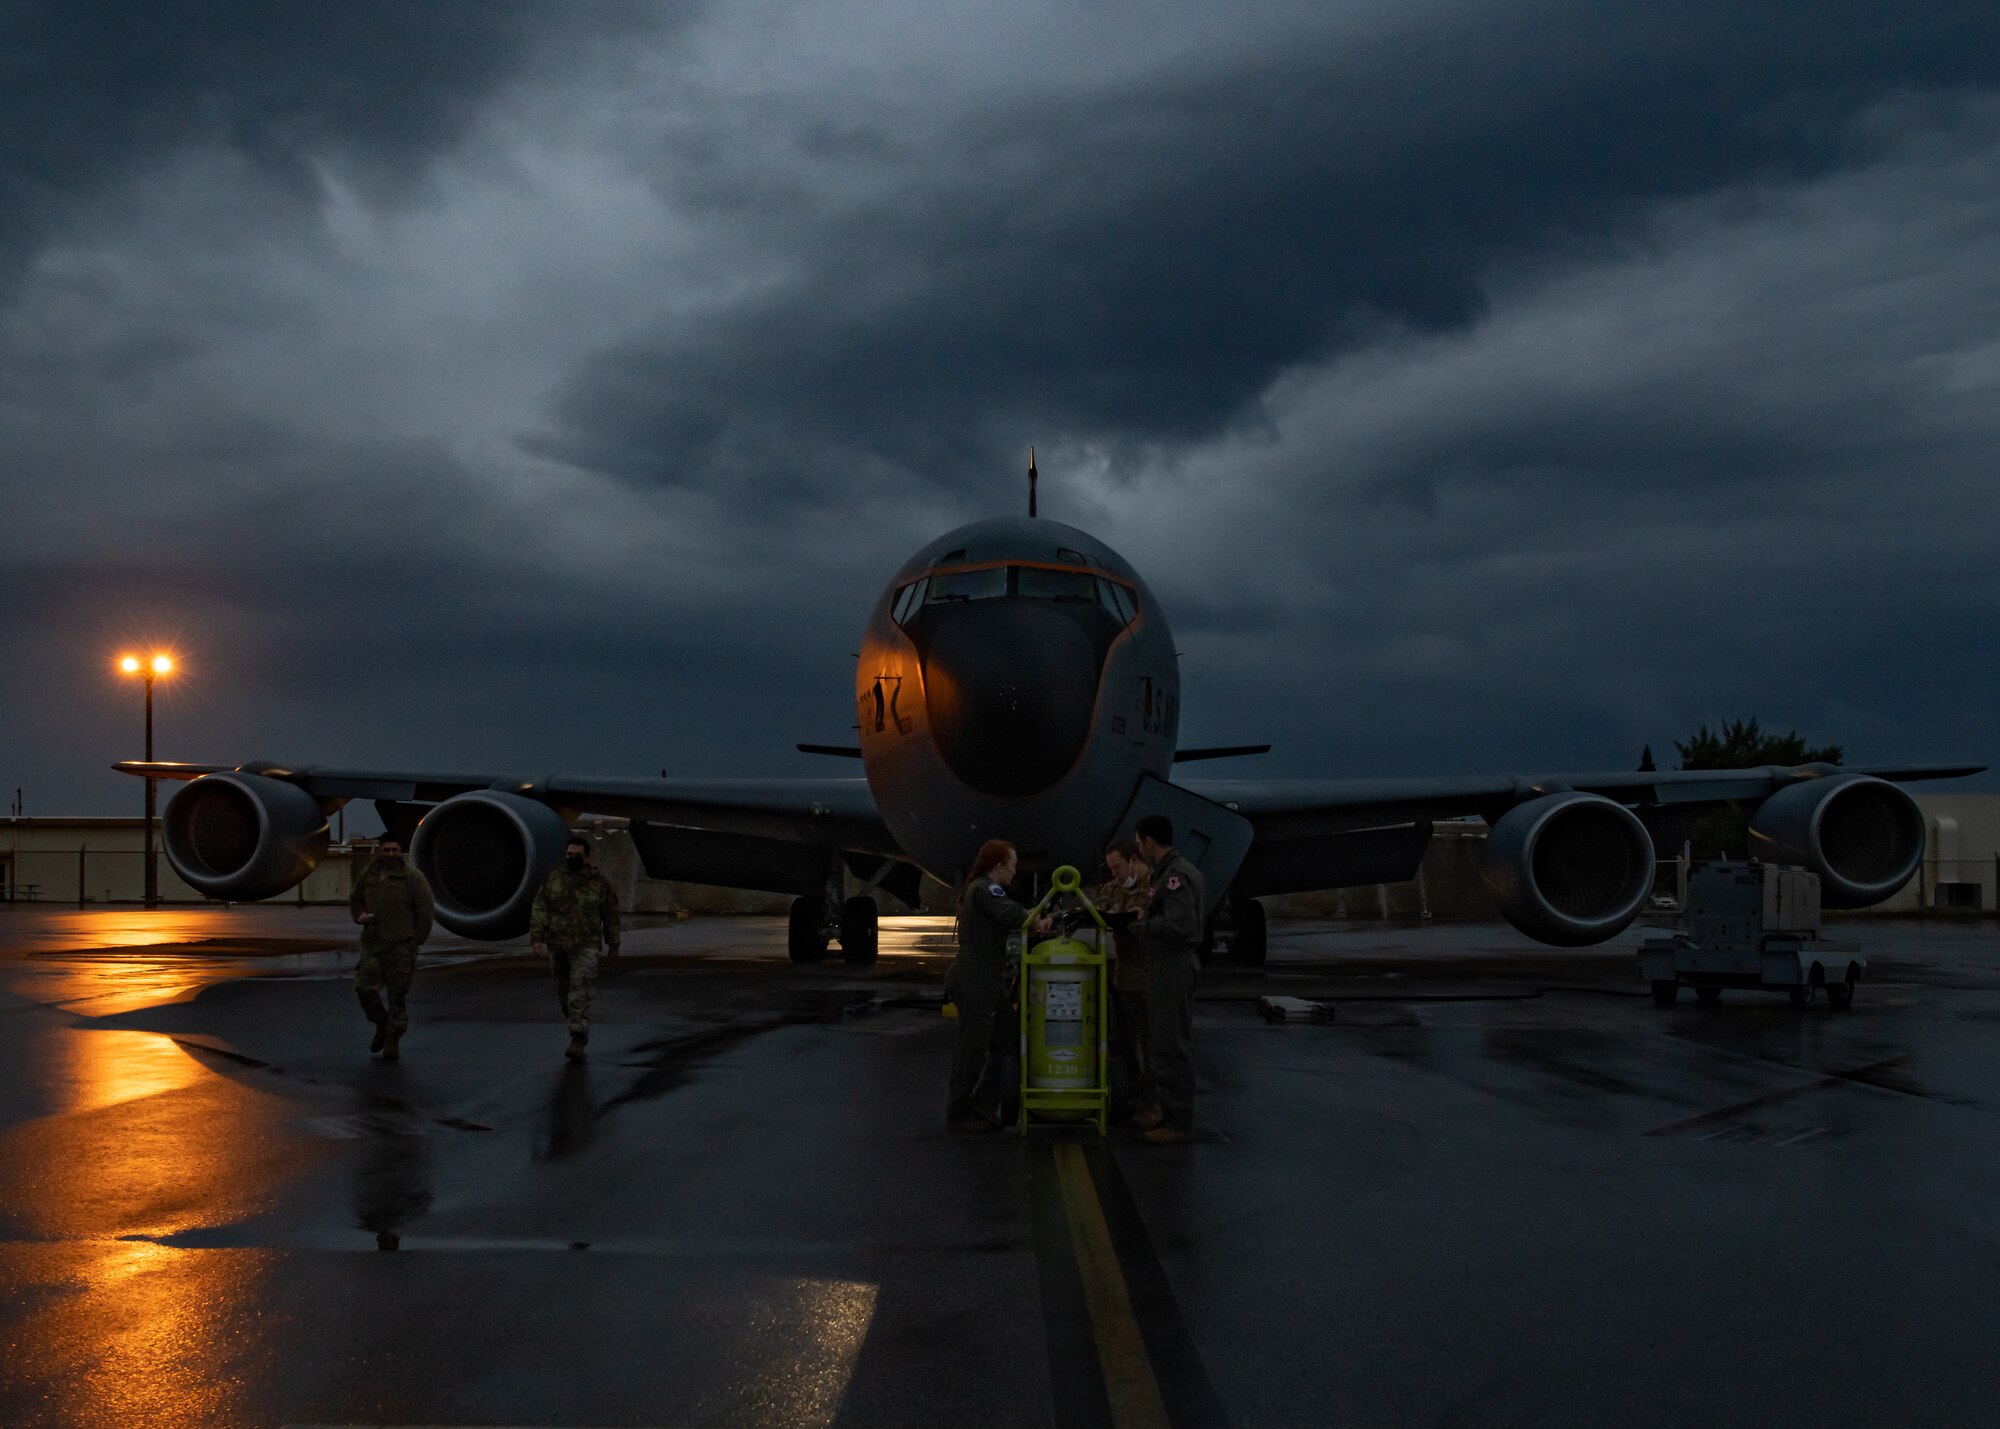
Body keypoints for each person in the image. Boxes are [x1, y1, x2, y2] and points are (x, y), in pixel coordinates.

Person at [946, 839, 1050, 1133]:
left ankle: (982, 1102)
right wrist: (1035, 921)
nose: (1014, 873)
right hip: (975, 977)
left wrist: (1035, 918)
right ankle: (958, 1112)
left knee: (1009, 1037)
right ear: (998, 866)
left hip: (985, 978)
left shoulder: (979, 890)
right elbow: (1009, 913)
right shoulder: (986, 889)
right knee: (973, 1047)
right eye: (1012, 867)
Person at [1132, 814, 1205, 1144]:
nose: (1140, 851)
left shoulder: (1173, 877)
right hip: (1169, 964)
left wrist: (1142, 927)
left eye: (1139, 844)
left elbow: (1180, 925)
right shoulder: (1178, 871)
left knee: (1170, 1043)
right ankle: (1171, 1111)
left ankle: (1178, 1121)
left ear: (1149, 842)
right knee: (1165, 1040)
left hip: (1172, 964)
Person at [530, 835, 622, 1061]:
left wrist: (613, 943)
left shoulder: (599, 884)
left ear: (587, 857)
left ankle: (578, 1036)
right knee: (563, 992)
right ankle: (574, 1021)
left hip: (586, 946)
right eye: (569, 855)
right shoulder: (553, 880)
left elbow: (610, 914)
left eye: (577, 856)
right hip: (558, 945)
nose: (572, 859)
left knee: (580, 988)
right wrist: (537, 938)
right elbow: (540, 908)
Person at [349, 834, 435, 1061]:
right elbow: (355, 899)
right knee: (364, 988)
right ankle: (381, 1023)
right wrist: (359, 916)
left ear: (401, 852)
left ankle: (393, 1038)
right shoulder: (368, 875)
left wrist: (416, 940)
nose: (390, 854)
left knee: (397, 996)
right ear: (379, 850)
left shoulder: (413, 878)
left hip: (401, 946)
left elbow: (425, 912)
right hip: (372, 943)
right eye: (386, 850)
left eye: (394, 850)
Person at [1092, 839, 1156, 1126]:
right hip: (1123, 977)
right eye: (1111, 869)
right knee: (1122, 1041)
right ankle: (1128, 1097)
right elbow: (1092, 910)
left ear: (1133, 860)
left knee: (1149, 1044)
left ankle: (1151, 1103)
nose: (1115, 873)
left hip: (1148, 977)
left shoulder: (1156, 888)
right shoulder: (1113, 889)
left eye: (1118, 867)